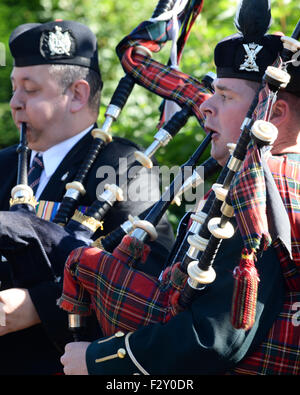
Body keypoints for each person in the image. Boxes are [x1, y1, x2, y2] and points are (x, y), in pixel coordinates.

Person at [60, 0, 299, 375]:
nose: (206, 106)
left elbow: (214, 338)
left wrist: (97, 361)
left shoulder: (254, 191)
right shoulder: (285, 177)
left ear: (274, 113)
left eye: (225, 95)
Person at [0, 20, 174, 375]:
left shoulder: (126, 168)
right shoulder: (3, 164)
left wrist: (38, 306)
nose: (15, 102)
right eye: (14, 87)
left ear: (77, 95)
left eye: (30, 90)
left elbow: (150, 273)